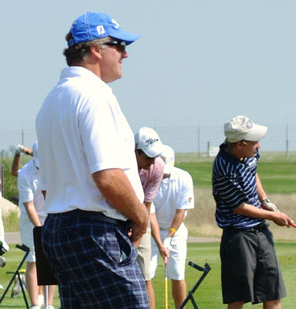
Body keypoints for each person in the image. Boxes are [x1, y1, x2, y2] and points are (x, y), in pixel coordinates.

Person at [35, 12, 149, 308]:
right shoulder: (95, 94)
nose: (125, 53)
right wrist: (140, 217)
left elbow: (47, 188)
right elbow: (108, 177)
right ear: (96, 50)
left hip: (59, 230)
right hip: (95, 230)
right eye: (119, 44)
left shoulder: (50, 101)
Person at [212, 115, 293, 309]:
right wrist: (274, 216)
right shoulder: (223, 167)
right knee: (237, 298)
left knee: (272, 293)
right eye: (255, 142)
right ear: (240, 144)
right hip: (237, 235)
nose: (259, 146)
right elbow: (239, 207)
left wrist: (265, 200)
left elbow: (253, 172)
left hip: (260, 230)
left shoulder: (249, 154)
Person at [150, 145, 194, 308]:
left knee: (177, 273)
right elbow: (150, 213)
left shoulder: (184, 178)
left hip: (176, 232)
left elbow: (180, 212)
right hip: (151, 231)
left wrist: (168, 237)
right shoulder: (149, 177)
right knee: (147, 274)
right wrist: (160, 242)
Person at [16, 141, 56, 309]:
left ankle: (48, 303)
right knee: (33, 259)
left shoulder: (55, 169)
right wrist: (39, 228)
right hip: (30, 221)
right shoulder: (25, 174)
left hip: (50, 217)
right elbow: (29, 205)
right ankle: (34, 305)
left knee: (51, 260)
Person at [134, 126, 166, 309]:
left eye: (155, 156)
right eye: (148, 157)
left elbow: (146, 204)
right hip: (114, 217)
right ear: (136, 152)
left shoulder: (158, 166)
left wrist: (138, 235)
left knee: (145, 276)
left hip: (140, 215)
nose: (153, 161)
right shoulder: (122, 162)